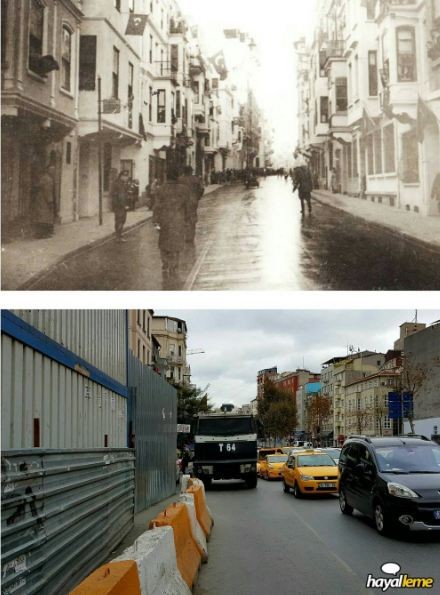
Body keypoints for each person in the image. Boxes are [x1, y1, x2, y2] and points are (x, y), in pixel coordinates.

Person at [155, 163, 191, 289]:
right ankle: (174, 266)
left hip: (165, 220)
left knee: (164, 243)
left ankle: (165, 264)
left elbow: (157, 206)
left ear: (167, 175)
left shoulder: (161, 189)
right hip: (178, 220)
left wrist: (156, 221)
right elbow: (188, 207)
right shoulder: (184, 189)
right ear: (178, 175)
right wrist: (187, 220)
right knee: (177, 244)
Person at [178, 165, 204, 257]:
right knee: (192, 218)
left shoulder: (180, 179)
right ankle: (190, 236)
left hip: (182, 202)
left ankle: (184, 235)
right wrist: (197, 197)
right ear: (191, 171)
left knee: (183, 217)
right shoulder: (196, 179)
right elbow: (201, 189)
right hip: (193, 201)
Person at [33, 166, 56, 238]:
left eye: (54, 170)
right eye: (51, 170)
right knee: (44, 217)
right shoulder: (48, 179)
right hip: (44, 200)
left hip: (41, 199)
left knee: (41, 217)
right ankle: (43, 234)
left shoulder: (44, 177)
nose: (53, 171)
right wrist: (50, 202)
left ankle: (40, 234)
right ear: (48, 170)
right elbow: (47, 191)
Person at [111, 169, 130, 241]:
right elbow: (121, 196)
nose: (126, 177)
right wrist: (124, 205)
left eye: (127, 176)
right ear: (121, 176)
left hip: (118, 205)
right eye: (125, 176)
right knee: (120, 220)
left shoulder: (121, 183)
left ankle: (119, 235)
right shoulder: (119, 184)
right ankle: (118, 236)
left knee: (120, 221)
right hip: (119, 206)